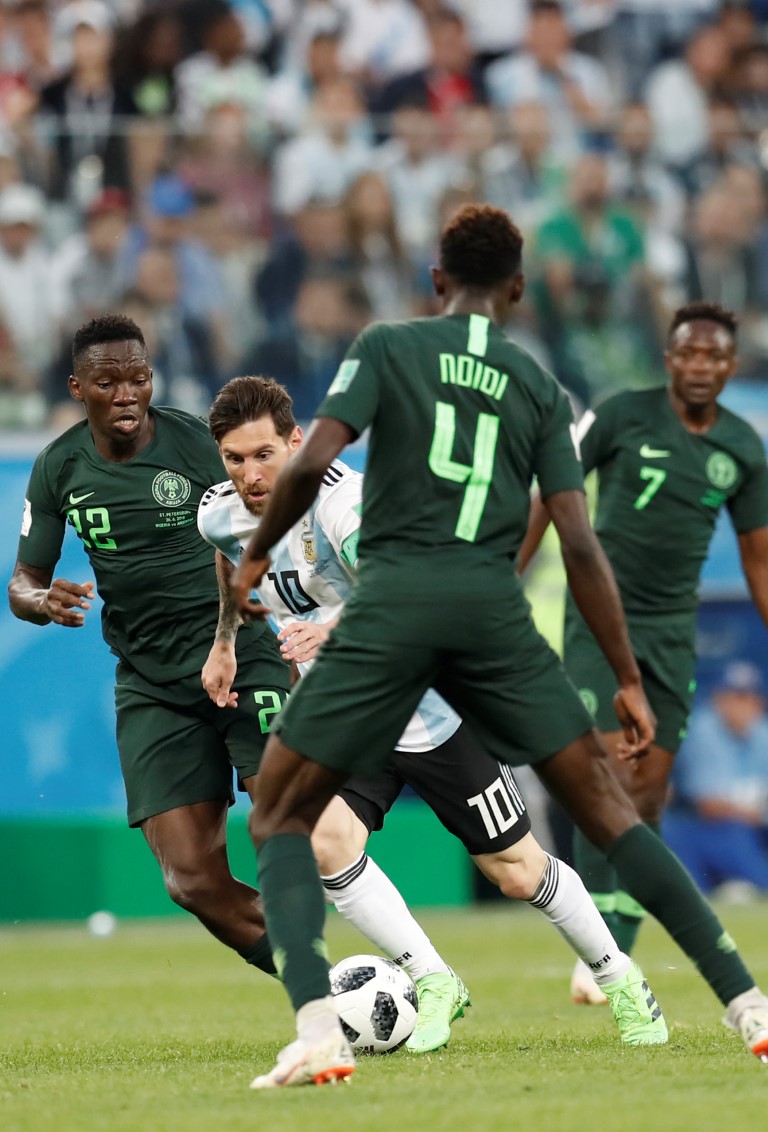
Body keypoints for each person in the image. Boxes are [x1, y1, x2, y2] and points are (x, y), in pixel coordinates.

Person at [230, 205, 768, 1087]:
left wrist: (253, 559)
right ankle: (745, 1001)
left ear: (437, 280)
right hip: (487, 616)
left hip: (394, 616)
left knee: (285, 814)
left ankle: (321, 1030)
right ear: (518, 289)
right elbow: (578, 541)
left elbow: (317, 451)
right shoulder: (539, 385)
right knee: (608, 810)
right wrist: (628, 676)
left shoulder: (388, 346)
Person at [198, 373, 667, 1056]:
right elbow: (230, 559)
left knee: (517, 871)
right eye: (234, 459)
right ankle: (433, 979)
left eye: (264, 455)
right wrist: (225, 641)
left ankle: (619, 978)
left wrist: (329, 633)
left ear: (297, 442)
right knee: (324, 841)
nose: (250, 475)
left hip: (433, 703)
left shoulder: (344, 505)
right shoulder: (220, 511)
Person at [7, 314, 289, 984]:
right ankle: (327, 982)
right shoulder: (58, 467)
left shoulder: (196, 444)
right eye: (108, 382)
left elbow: (265, 522)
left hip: (240, 655)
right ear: (78, 388)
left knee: (289, 826)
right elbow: (22, 582)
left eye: (139, 378)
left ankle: (396, 964)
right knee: (191, 880)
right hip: (151, 683)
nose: (127, 393)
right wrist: (41, 601)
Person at [519, 301, 768, 1007]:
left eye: (712, 356)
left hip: (672, 631)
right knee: (607, 776)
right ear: (668, 359)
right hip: (600, 620)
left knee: (648, 795)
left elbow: (758, 560)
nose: (699, 366)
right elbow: (549, 495)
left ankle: (614, 951)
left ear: (730, 365)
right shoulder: (621, 414)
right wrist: (505, 578)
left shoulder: (743, 449)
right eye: (687, 353)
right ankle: (602, 953)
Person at [664, 661, 768, 896]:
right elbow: (709, 806)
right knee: (734, 834)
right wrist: (758, 813)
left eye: (748, 698)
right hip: (699, 827)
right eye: (734, 697)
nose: (741, 707)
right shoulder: (703, 729)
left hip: (752, 828)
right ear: (718, 699)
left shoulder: (763, 733)